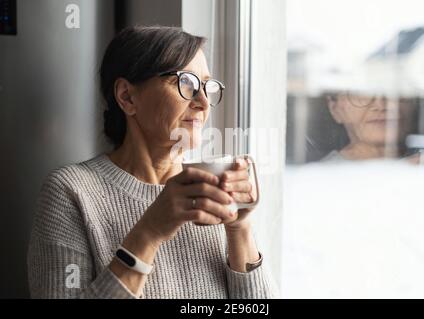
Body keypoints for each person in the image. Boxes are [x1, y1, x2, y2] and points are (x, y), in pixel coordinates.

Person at [27, 26, 275, 299]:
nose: (203, 102)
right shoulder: (71, 192)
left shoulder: (210, 191)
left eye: (207, 87)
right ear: (127, 97)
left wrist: (239, 228)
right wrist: (150, 230)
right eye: (187, 83)